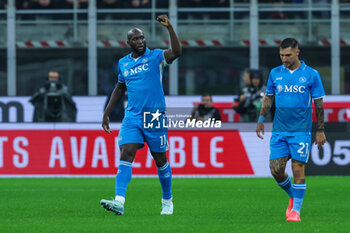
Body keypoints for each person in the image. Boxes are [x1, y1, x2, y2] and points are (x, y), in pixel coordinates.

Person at [100, 15, 182, 215]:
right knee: (126, 153)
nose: (140, 41)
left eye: (142, 38)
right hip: (132, 117)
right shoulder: (123, 64)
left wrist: (170, 27)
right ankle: (119, 201)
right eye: (136, 39)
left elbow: (177, 52)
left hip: (154, 117)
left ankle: (167, 201)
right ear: (128, 43)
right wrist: (106, 114)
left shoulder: (155, 57)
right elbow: (119, 89)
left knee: (160, 160)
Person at [256, 38, 326, 222]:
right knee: (276, 170)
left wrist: (320, 130)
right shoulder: (275, 73)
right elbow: (269, 98)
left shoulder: (312, 74)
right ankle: (293, 195)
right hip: (279, 130)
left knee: (298, 168)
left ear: (297, 52)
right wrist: (261, 119)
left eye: (287, 55)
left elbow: (319, 104)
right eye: (281, 55)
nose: (284, 59)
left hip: (300, 130)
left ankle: (295, 211)